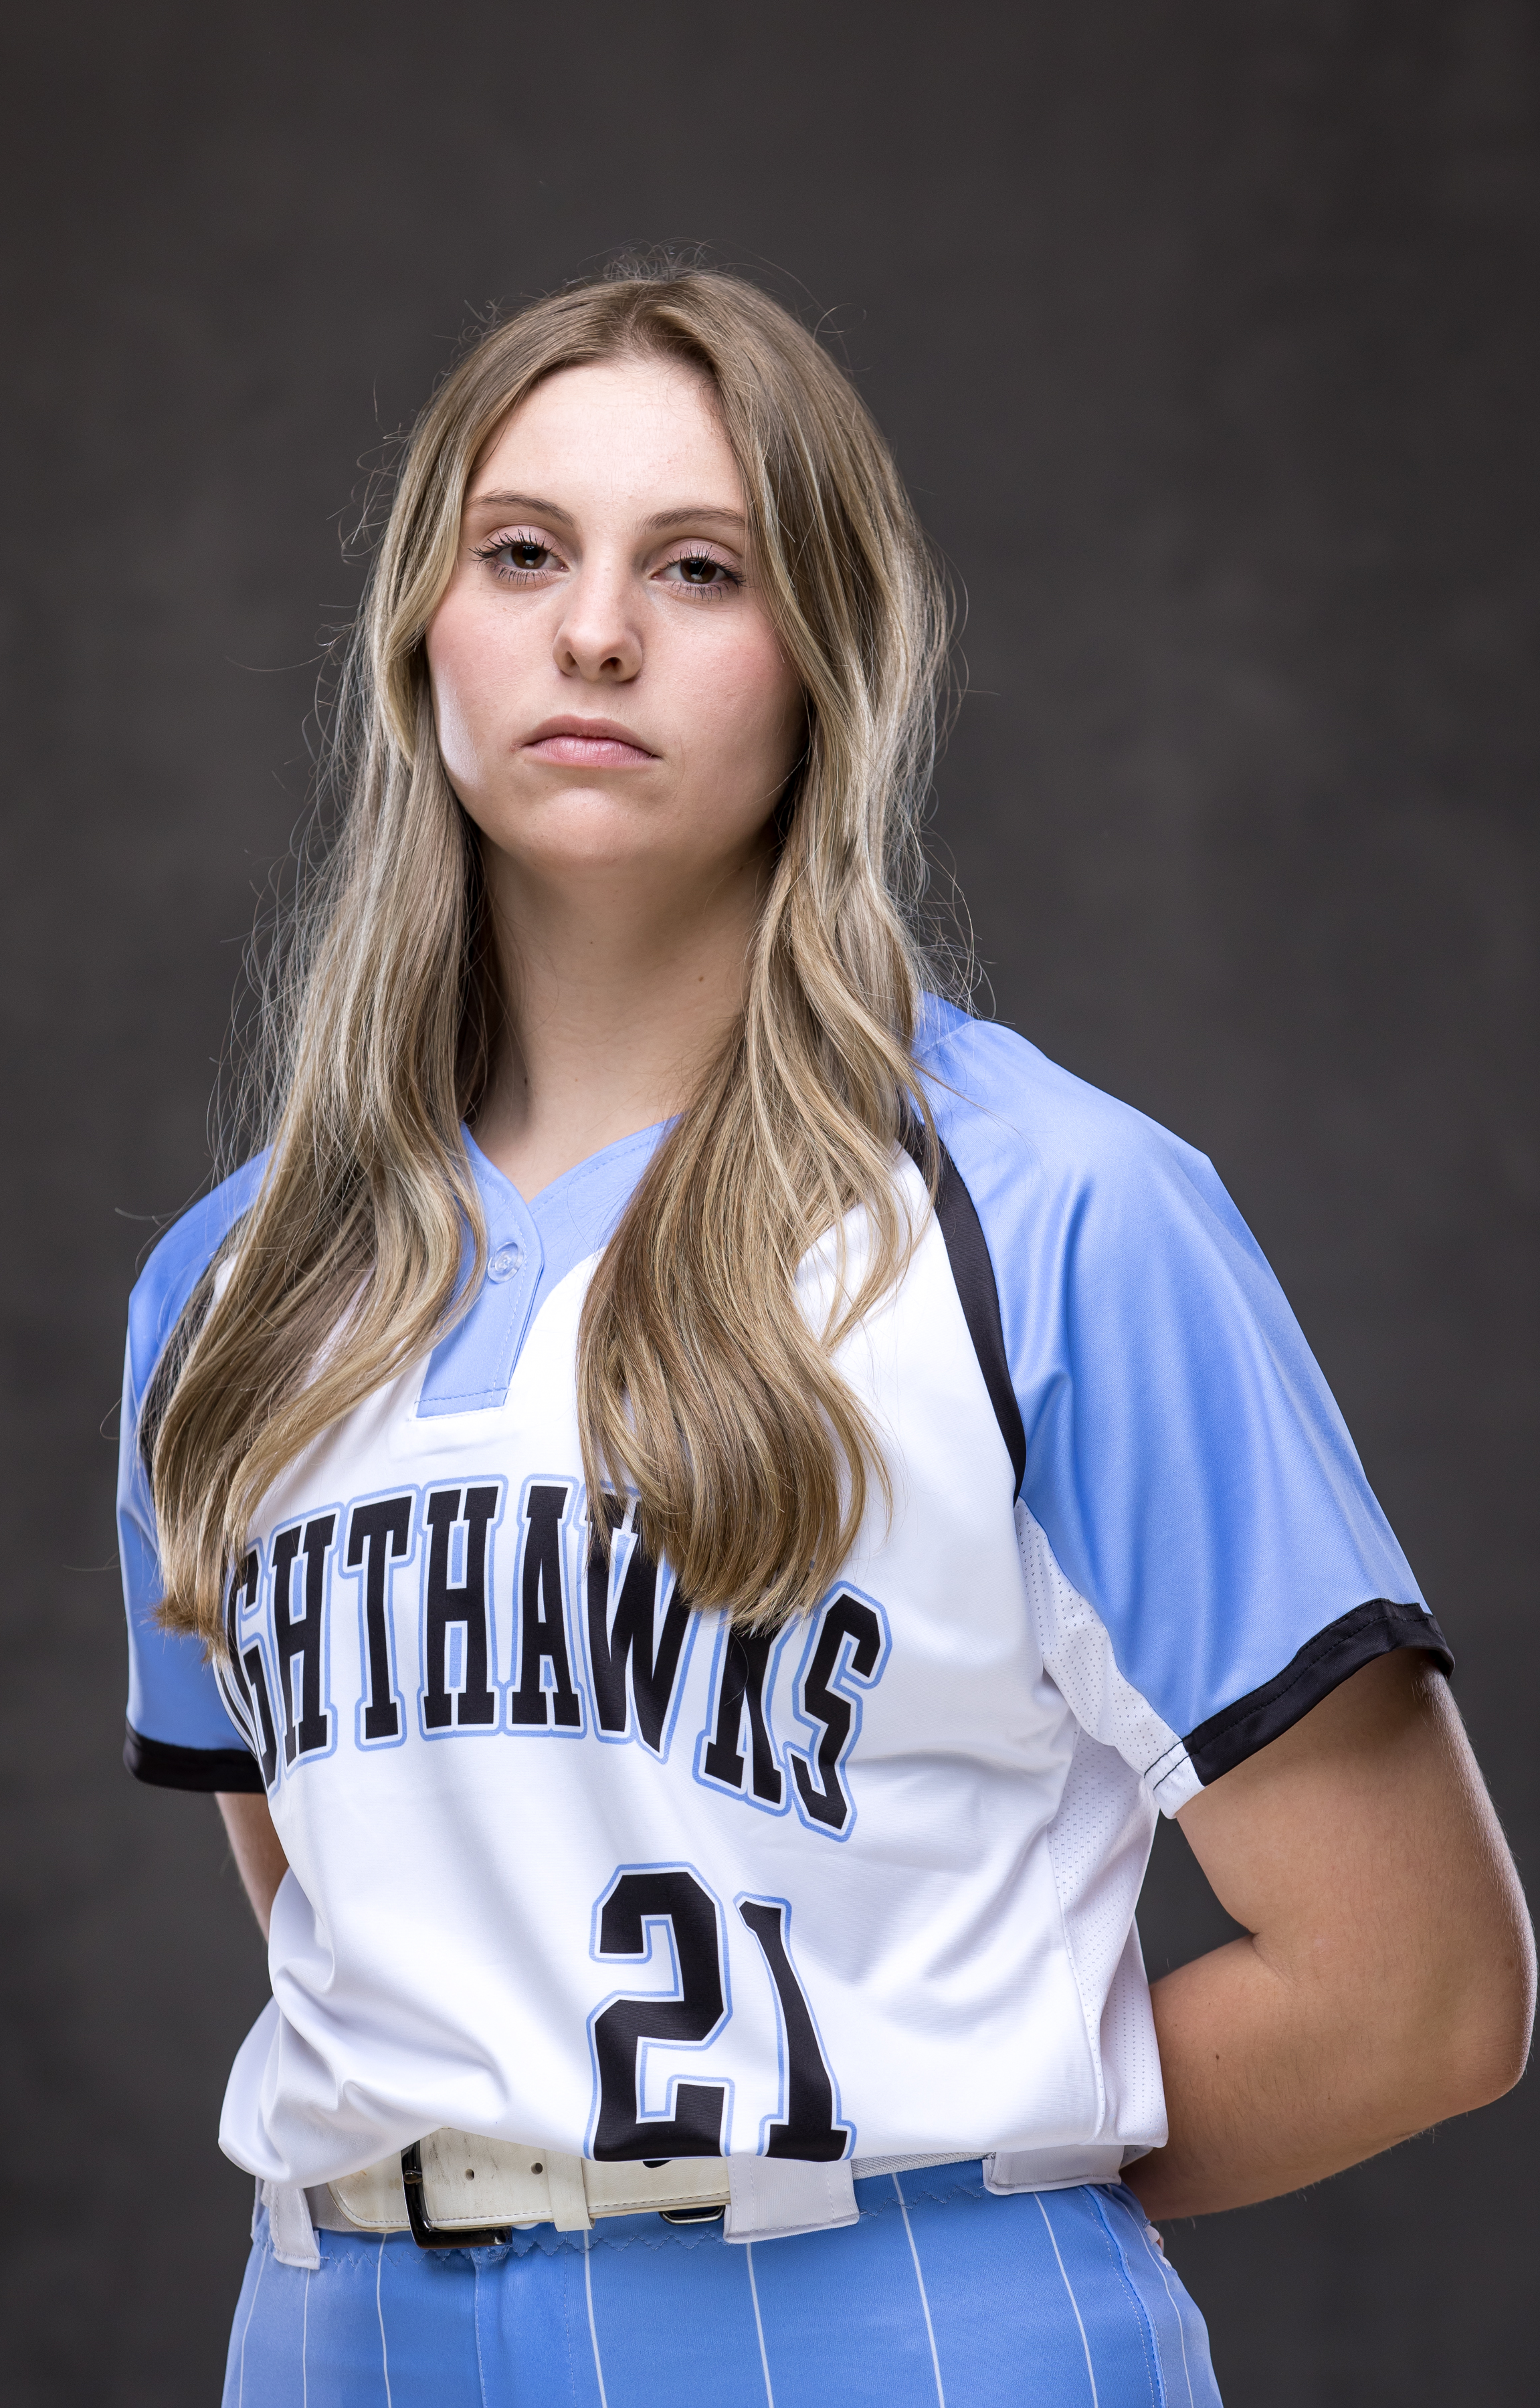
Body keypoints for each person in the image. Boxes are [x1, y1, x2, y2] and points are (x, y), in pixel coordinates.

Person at [117, 263, 1533, 2408]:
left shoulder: (1056, 1216)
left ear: (827, 664)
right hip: (336, 2333)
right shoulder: (226, 1293)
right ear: (424, 633)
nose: (593, 629)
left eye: (699, 568)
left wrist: (952, 2149)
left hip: (878, 2317)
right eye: (523, 553)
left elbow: (1414, 1992)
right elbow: (382, 1923)